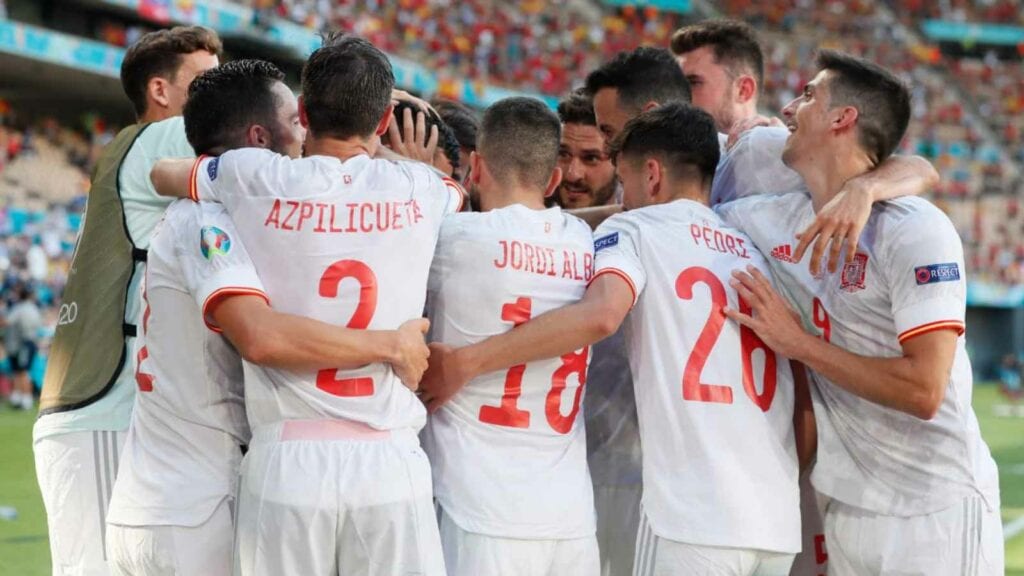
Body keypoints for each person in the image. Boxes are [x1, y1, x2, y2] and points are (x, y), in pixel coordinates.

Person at [421, 103, 807, 575]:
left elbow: (601, 315)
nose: (622, 199)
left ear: (651, 175)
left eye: (623, 182)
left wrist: (467, 361)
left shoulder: (634, 229)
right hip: (775, 516)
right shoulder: (752, 242)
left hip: (693, 514)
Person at [151, 34, 462, 576]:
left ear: (302, 111)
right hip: (389, 462)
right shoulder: (421, 187)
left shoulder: (253, 176)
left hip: (286, 462)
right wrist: (391, 150)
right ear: (385, 118)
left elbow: (166, 175)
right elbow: (458, 193)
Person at [719, 50, 1003, 576]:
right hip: (846, 505)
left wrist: (797, 342)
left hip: (932, 507)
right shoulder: (768, 220)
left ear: (841, 119)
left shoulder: (915, 229)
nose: (787, 108)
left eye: (806, 95)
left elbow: (923, 390)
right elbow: (670, 221)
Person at [33, 26, 221, 576]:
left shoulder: (142, 150)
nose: (220, 94)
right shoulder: (156, 139)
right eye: (206, 82)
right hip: (100, 409)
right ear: (161, 92)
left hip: (121, 408)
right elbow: (265, 141)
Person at [419, 97, 598, 575]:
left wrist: (418, 177)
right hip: (570, 518)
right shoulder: (586, 243)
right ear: (555, 179)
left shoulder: (452, 238)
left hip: (477, 508)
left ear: (475, 167)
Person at [551, 87, 639, 576]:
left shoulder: (639, 236)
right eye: (564, 154)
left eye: (592, 158)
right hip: (544, 472)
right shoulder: (531, 228)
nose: (575, 173)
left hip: (624, 474)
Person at [553, 89, 618, 210]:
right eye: (563, 154)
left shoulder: (642, 226)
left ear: (620, 162)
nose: (572, 175)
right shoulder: (525, 219)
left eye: (591, 158)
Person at [4, 284, 42, 410]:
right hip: (31, 342)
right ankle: (21, 398)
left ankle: (26, 400)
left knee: (22, 371)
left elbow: (7, 322)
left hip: (23, 342)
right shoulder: (34, 308)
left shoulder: (19, 308)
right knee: (21, 371)